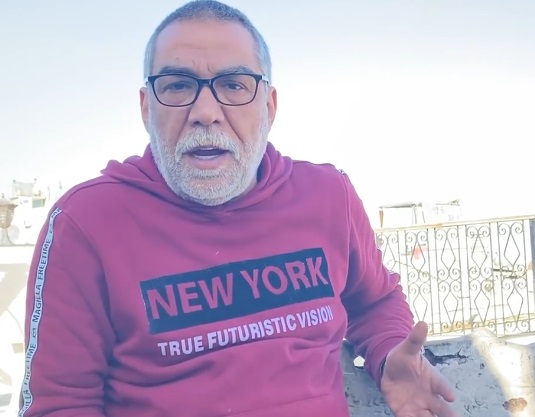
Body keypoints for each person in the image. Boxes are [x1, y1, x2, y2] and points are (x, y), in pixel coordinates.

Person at [17, 1, 458, 417]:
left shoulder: (329, 196)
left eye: (233, 85)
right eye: (177, 86)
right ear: (146, 107)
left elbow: (376, 300)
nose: (206, 112)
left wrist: (388, 352)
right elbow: (61, 403)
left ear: (269, 106)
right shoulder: (86, 223)